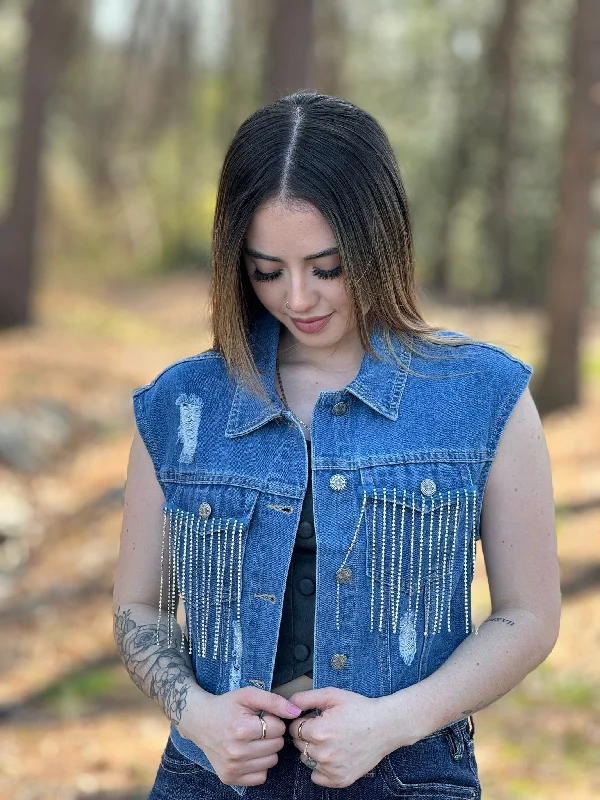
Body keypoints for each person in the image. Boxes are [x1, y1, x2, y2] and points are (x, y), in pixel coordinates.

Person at [112, 92, 560, 799]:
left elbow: (529, 617)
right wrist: (198, 716)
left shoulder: (484, 396)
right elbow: (140, 606)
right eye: (267, 270)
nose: (298, 298)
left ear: (381, 240)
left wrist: (395, 721)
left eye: (327, 268)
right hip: (212, 778)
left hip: (409, 774)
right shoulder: (181, 404)